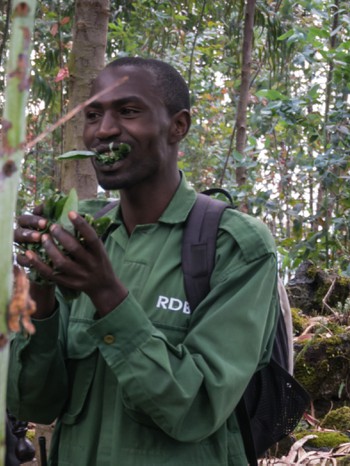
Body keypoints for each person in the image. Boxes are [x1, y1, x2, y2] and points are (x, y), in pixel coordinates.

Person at [8, 57, 279, 465]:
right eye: (93, 115)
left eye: (128, 112)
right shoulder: (82, 234)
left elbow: (195, 407)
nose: (104, 131)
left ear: (178, 126)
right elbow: (36, 404)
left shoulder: (233, 246)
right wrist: (40, 293)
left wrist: (105, 293)